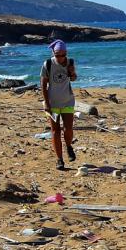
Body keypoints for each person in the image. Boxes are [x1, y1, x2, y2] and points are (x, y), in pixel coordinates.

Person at [41, 39, 79, 170]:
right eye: (57, 55)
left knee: (68, 129)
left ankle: (68, 146)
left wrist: (72, 72)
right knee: (55, 131)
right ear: (53, 53)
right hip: (52, 103)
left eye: (63, 55)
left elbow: (73, 79)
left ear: (66, 53)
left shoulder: (70, 62)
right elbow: (43, 85)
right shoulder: (48, 64)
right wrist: (46, 102)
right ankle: (59, 159)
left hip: (68, 100)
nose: (60, 58)